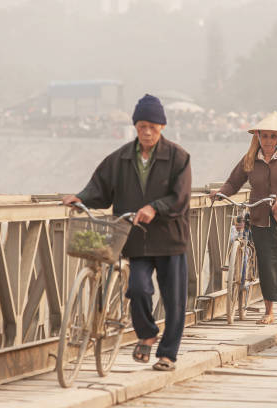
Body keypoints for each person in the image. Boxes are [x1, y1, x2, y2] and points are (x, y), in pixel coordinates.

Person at [62, 94, 191, 371]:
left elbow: (180, 197)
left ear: (162, 128)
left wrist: (155, 208)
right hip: (135, 238)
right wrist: (80, 198)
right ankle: (146, 333)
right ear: (135, 125)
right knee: (137, 288)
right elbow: (100, 190)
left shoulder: (178, 157)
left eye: (152, 127)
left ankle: (167, 354)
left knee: (175, 300)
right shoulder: (119, 158)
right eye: (142, 126)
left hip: (170, 239)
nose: (146, 132)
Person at [210, 111, 277, 325]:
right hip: (261, 217)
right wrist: (221, 192)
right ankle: (269, 310)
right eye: (264, 136)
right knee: (267, 263)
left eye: (273, 136)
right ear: (258, 138)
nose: (268, 141)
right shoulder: (250, 160)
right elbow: (233, 182)